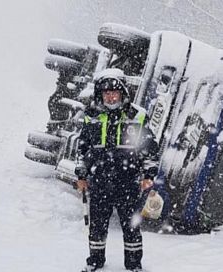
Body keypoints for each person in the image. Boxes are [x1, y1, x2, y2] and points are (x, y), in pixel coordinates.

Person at [75, 69, 159, 272]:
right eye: (106, 93)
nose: (110, 96)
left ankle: (133, 265)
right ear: (100, 95)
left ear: (123, 93)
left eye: (114, 92)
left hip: (128, 181)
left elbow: (149, 148)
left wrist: (148, 176)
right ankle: (95, 261)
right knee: (97, 226)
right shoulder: (91, 117)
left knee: (131, 226)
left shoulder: (137, 116)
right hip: (99, 181)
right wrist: (81, 175)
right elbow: (83, 148)